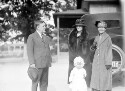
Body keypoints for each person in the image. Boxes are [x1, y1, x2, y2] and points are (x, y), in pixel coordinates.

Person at [27, 20, 55, 91]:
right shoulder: (31, 37)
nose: (45, 27)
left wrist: (49, 60)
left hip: (46, 63)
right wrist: (32, 63)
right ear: (37, 27)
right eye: (43, 26)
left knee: (44, 83)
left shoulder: (46, 37)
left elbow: (49, 46)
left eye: (45, 26)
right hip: (37, 64)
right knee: (35, 82)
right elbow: (29, 51)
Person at [68, 19, 92, 87]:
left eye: (80, 26)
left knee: (84, 72)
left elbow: (88, 48)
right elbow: (70, 47)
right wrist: (73, 57)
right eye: (77, 26)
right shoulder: (72, 35)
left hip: (84, 56)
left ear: (83, 27)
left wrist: (85, 57)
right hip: (74, 55)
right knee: (74, 71)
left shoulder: (86, 35)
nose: (78, 27)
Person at [90, 21, 113, 91]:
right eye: (99, 27)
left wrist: (108, 62)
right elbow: (93, 48)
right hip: (97, 59)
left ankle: (104, 89)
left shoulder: (108, 38)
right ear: (97, 28)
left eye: (103, 27)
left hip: (104, 60)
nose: (101, 29)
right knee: (96, 74)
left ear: (105, 28)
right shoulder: (97, 37)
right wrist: (93, 47)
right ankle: (96, 88)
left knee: (104, 76)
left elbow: (109, 50)